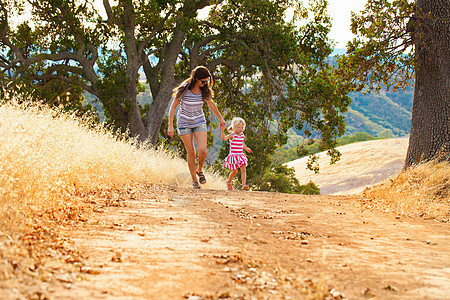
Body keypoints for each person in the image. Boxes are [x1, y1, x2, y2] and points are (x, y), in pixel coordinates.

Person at [167, 66, 225, 189]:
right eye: (203, 81)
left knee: (203, 150)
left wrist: (220, 118)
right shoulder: (184, 88)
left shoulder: (205, 90)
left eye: (207, 81)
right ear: (196, 79)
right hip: (184, 123)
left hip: (199, 121)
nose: (205, 83)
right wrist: (170, 126)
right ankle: (194, 181)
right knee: (191, 152)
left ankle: (199, 170)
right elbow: (173, 107)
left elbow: (211, 104)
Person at [221, 117, 252, 190]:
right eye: (238, 127)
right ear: (234, 127)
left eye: (242, 127)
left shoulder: (242, 135)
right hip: (233, 155)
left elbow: (242, 143)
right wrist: (222, 131)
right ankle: (228, 181)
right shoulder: (232, 135)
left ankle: (243, 184)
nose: (240, 129)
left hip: (240, 155)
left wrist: (246, 148)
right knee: (234, 171)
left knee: (243, 168)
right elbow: (224, 138)